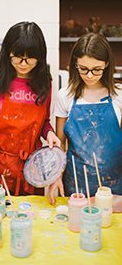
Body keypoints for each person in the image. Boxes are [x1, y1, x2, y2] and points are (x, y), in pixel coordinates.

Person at [0, 21, 61, 195]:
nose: (23, 63)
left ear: (40, 56)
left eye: (30, 58)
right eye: (17, 57)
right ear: (8, 53)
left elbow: (43, 123)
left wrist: (49, 133)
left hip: (32, 169)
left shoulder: (44, 83)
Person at [48, 33, 122, 209]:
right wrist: (56, 175)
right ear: (75, 65)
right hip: (77, 183)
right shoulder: (65, 95)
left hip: (114, 184)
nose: (89, 75)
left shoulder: (119, 94)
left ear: (107, 65)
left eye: (96, 69)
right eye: (83, 69)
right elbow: (60, 145)